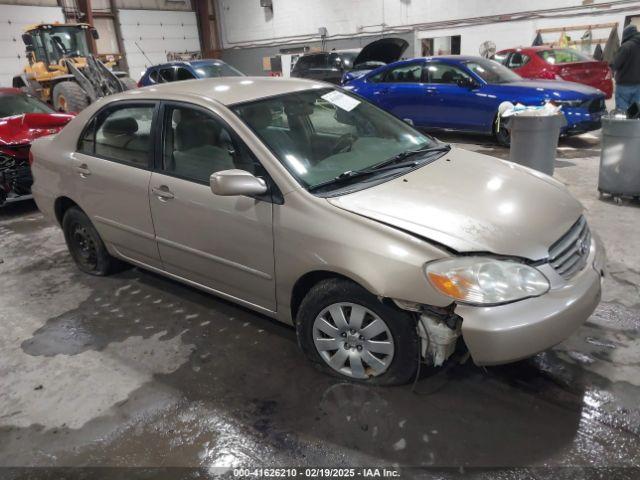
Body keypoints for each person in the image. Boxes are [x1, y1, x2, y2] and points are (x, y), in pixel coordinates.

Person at [612, 25, 640, 112]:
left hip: (624, 85)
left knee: (622, 113)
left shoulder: (626, 47)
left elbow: (615, 64)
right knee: (635, 112)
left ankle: (624, 125)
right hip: (638, 85)